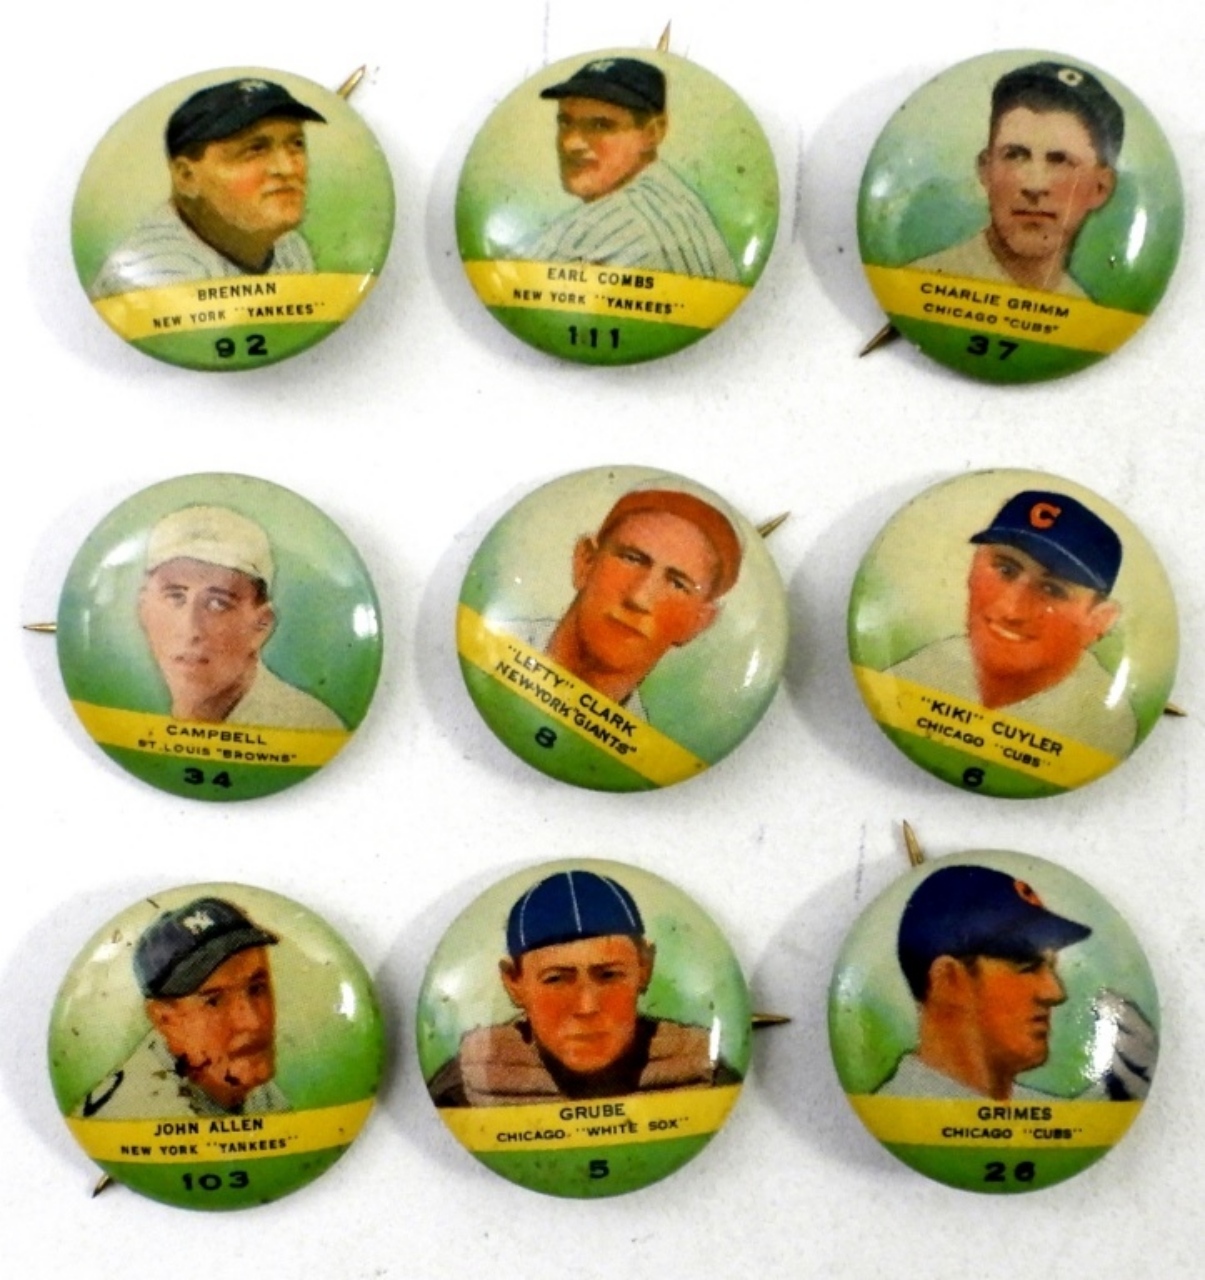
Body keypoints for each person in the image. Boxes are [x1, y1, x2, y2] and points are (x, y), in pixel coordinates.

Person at [427, 869, 738, 1106]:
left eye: (609, 975)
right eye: (556, 979)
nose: (586, 1006)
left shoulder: (701, 1071)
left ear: (644, 967)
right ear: (514, 982)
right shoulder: (465, 1086)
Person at [888, 489, 1136, 756]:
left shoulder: (1103, 731)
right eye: (1005, 570)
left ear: (1098, 621)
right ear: (973, 567)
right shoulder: (920, 672)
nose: (1010, 609)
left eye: (1052, 590)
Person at [876, 865, 1155, 1102]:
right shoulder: (896, 1111)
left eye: (1051, 967)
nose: (1055, 992)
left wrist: (1116, 1097)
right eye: (1028, 967)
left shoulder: (1055, 1116)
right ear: (949, 981)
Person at [515, 488, 743, 720]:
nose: (639, 598)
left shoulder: (642, 740)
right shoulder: (497, 641)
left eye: (677, 584)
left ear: (697, 622)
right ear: (586, 561)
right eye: (631, 559)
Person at [91, 78, 325, 298]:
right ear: (186, 177)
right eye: (255, 149)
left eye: (296, 144)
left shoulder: (288, 247)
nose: (287, 168)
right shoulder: (162, 269)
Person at [909, 61, 1124, 298]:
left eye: (1060, 160)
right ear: (986, 169)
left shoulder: (1082, 310)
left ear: (1100, 188)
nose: (1034, 185)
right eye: (1015, 155)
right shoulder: (919, 285)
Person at [523, 58, 739, 281]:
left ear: (652, 133)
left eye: (600, 125)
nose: (570, 143)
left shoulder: (616, 222)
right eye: (565, 122)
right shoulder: (674, 199)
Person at [137, 504, 344, 729]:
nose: (190, 629)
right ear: (143, 610)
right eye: (175, 596)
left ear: (261, 625)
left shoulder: (309, 728)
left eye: (218, 603)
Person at [79, 897, 290, 1118]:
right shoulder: (147, 1111)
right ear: (165, 1020)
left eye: (256, 989)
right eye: (213, 1001)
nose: (253, 1021)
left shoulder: (230, 1071)